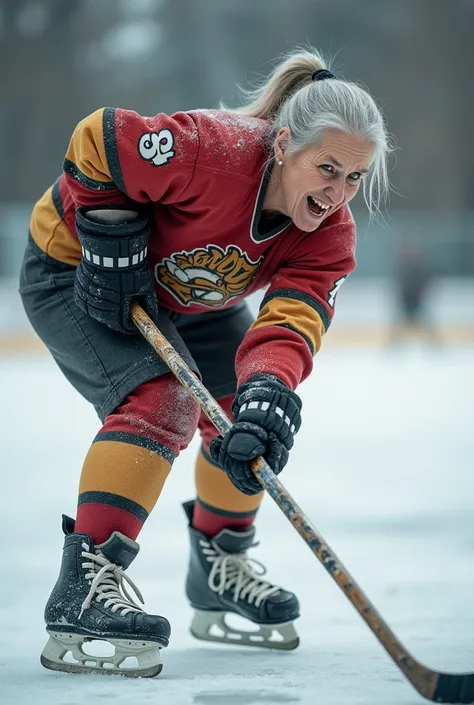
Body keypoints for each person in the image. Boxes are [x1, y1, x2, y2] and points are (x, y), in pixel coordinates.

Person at [19, 47, 391, 677]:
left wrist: (270, 388)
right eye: (327, 169)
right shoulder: (211, 152)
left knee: (240, 414)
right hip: (73, 271)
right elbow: (98, 138)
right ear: (280, 147)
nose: (338, 193)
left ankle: (220, 561)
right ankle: (86, 585)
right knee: (160, 398)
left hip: (191, 297)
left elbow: (290, 323)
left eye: (354, 177)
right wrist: (109, 225)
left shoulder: (329, 236)